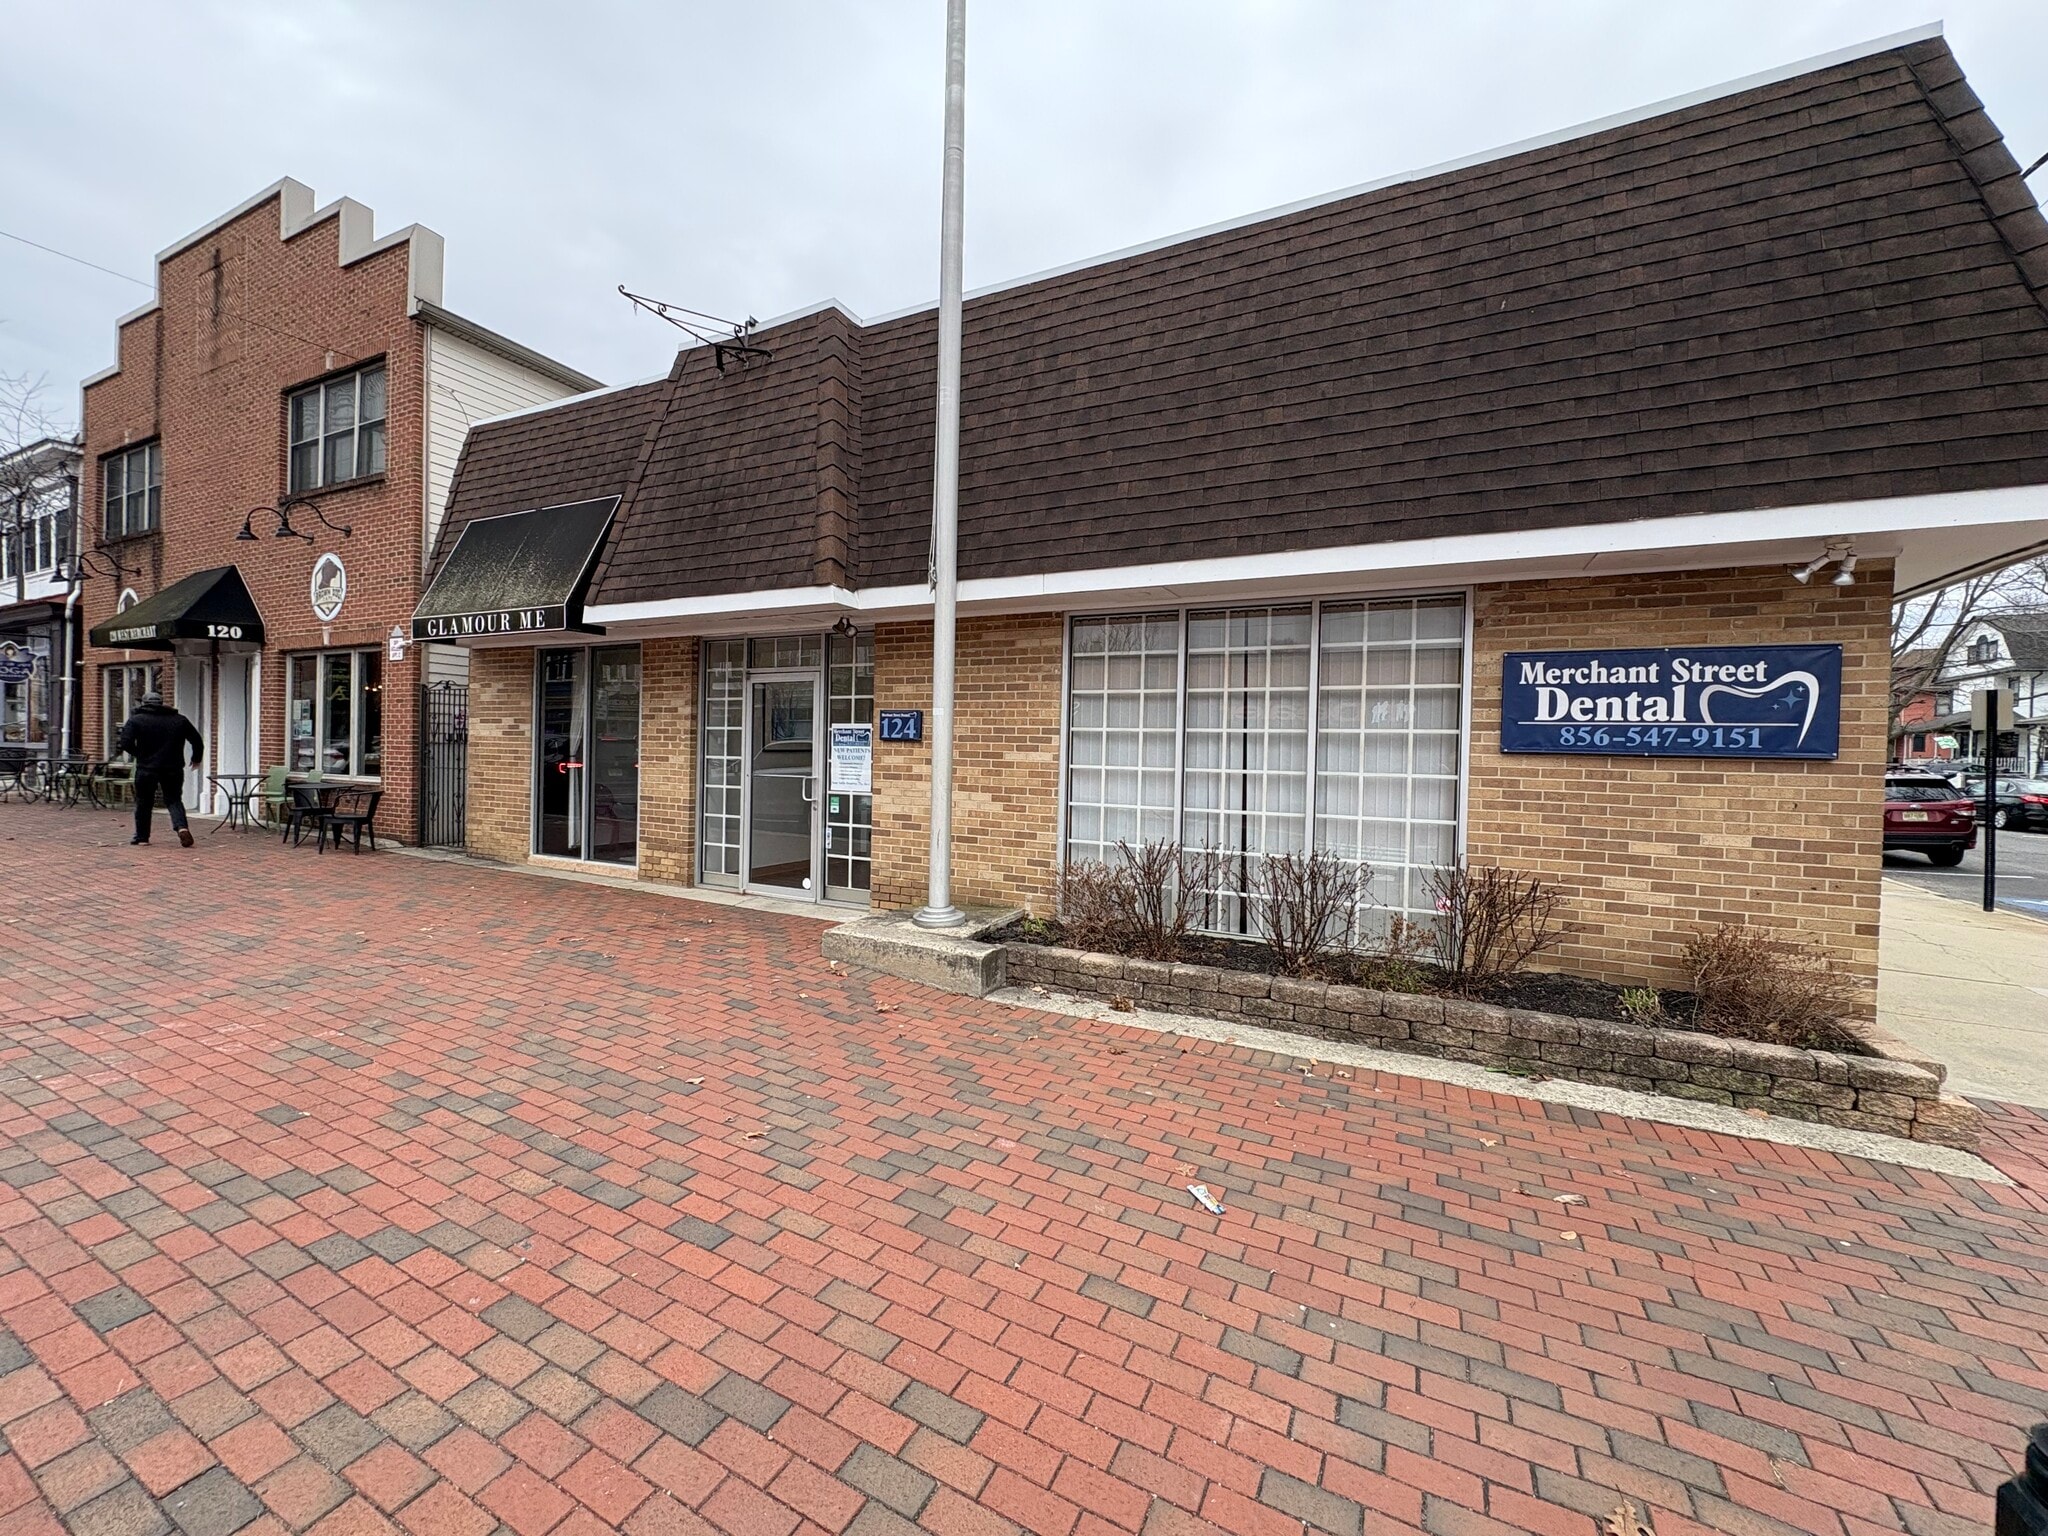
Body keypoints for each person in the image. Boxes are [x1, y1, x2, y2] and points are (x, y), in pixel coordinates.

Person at [117, 690, 204, 847]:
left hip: (146, 768)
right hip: (173, 767)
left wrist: (140, 754)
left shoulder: (136, 720)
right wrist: (196, 759)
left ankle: (142, 837)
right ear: (162, 703)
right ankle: (182, 827)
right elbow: (196, 740)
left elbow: (125, 743)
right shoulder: (179, 720)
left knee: (144, 802)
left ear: (144, 703)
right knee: (174, 799)